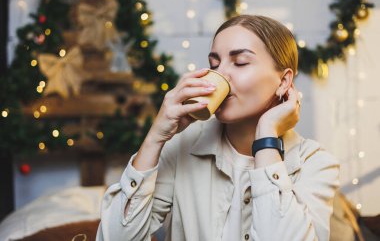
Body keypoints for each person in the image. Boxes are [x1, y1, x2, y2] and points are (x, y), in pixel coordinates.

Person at [96, 15, 340, 241]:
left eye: (240, 62)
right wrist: (155, 138)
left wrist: (266, 135)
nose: (220, 75)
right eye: (214, 64)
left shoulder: (315, 164)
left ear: (284, 81)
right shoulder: (183, 146)